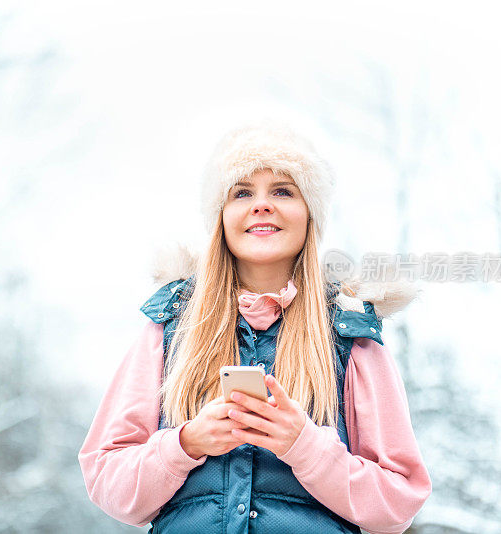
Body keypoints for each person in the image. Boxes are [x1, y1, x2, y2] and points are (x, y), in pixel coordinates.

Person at [78, 119, 432, 534]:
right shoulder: (170, 325)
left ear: (310, 215)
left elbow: (398, 502)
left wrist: (304, 445)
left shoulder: (349, 333)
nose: (261, 205)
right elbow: (106, 479)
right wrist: (187, 443)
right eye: (242, 192)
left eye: (283, 190)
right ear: (221, 217)